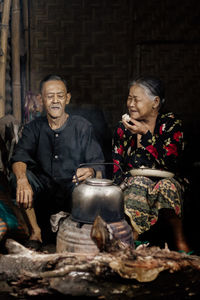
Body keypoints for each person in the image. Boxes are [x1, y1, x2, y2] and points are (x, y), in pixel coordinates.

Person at [10, 74, 105, 249]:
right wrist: (22, 180)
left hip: (72, 192)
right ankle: (35, 233)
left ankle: (78, 235)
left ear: (67, 98)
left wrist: (90, 171)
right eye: (49, 96)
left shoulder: (82, 126)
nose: (55, 101)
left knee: (88, 185)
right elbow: (19, 156)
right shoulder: (33, 128)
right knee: (18, 177)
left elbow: (98, 163)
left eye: (60, 96)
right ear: (41, 99)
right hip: (42, 195)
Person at [112, 76, 190, 252]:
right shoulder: (122, 128)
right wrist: (115, 190)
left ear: (155, 102)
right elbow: (117, 164)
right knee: (138, 183)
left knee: (166, 186)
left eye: (136, 99)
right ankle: (132, 240)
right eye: (129, 98)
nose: (131, 104)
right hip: (133, 183)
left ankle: (180, 241)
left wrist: (146, 134)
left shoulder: (171, 124)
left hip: (169, 180)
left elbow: (172, 161)